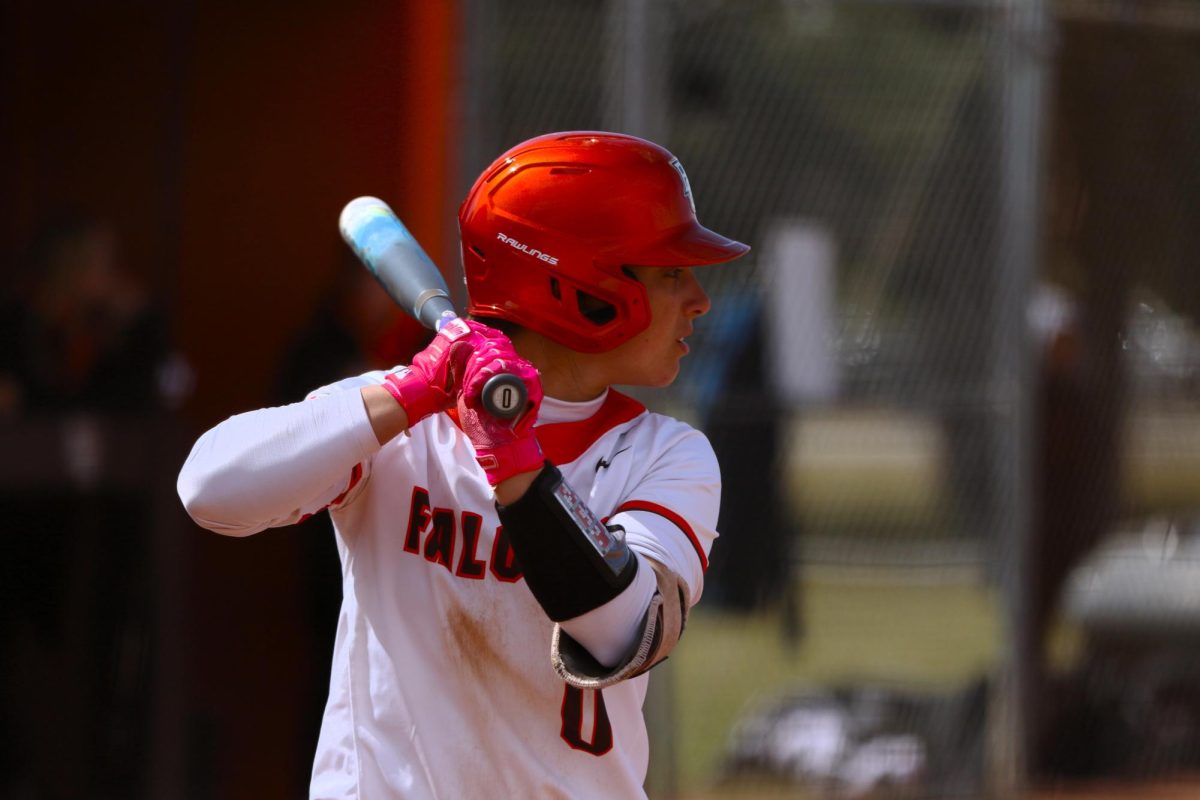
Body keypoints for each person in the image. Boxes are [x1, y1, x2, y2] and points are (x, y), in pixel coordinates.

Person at [177, 131, 748, 798]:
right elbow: (209, 490)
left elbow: (620, 627)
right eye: (672, 273)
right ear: (587, 288)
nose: (699, 300)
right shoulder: (400, 421)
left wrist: (514, 460)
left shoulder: (666, 454)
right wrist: (409, 392)